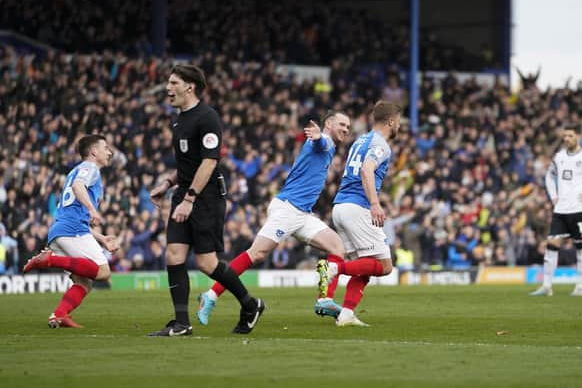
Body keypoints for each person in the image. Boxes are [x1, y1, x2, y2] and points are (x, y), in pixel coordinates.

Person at [195, 111, 351, 325]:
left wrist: (321, 137)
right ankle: (210, 295)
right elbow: (321, 143)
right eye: (342, 124)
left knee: (337, 248)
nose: (346, 129)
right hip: (287, 210)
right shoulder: (324, 144)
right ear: (329, 124)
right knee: (256, 253)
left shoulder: (327, 146)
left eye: (348, 127)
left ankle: (325, 299)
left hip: (302, 214)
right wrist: (319, 136)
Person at [147, 64, 264, 336]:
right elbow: (188, 164)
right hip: (183, 192)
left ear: (190, 86)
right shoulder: (177, 120)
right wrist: (166, 184)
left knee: (206, 263)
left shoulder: (208, 118)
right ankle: (181, 323)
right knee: (174, 254)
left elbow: (209, 162)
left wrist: (189, 199)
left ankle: (250, 304)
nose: (168, 88)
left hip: (206, 197)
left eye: (173, 83)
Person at [317, 100, 402, 326]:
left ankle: (346, 314)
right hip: (358, 207)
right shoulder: (381, 144)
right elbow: (367, 169)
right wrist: (375, 204)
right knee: (384, 266)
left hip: (341, 206)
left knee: (365, 265)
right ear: (392, 121)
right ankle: (334, 268)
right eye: (399, 122)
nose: (399, 127)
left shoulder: (360, 140)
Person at [23, 134, 119, 328]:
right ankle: (50, 260)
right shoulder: (89, 168)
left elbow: (74, 209)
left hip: (62, 230)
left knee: (84, 283)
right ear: (94, 152)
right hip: (72, 230)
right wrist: (93, 209)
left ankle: (59, 314)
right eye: (106, 148)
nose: (110, 152)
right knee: (103, 272)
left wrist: (101, 238)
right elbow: (78, 187)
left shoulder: (75, 170)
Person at [530, 124, 582, 297]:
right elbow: (549, 176)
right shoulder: (559, 157)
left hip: (581, 210)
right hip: (561, 210)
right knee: (551, 244)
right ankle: (546, 287)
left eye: (570, 135)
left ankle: (580, 287)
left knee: (581, 246)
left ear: (578, 137)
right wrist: (553, 196)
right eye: (565, 136)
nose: (567, 139)